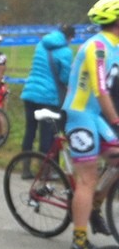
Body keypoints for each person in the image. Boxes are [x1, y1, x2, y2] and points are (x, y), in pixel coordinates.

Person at [62, 0, 119, 249]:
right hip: (79, 114)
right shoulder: (96, 46)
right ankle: (79, 239)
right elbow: (101, 90)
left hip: (96, 115)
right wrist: (117, 120)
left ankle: (94, 206)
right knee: (88, 178)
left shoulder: (116, 45)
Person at [19, 24, 75, 158]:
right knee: (47, 134)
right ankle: (46, 169)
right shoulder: (66, 52)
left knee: (30, 131)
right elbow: (64, 78)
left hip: (30, 92)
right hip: (48, 97)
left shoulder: (41, 45)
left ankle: (24, 167)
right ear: (69, 37)